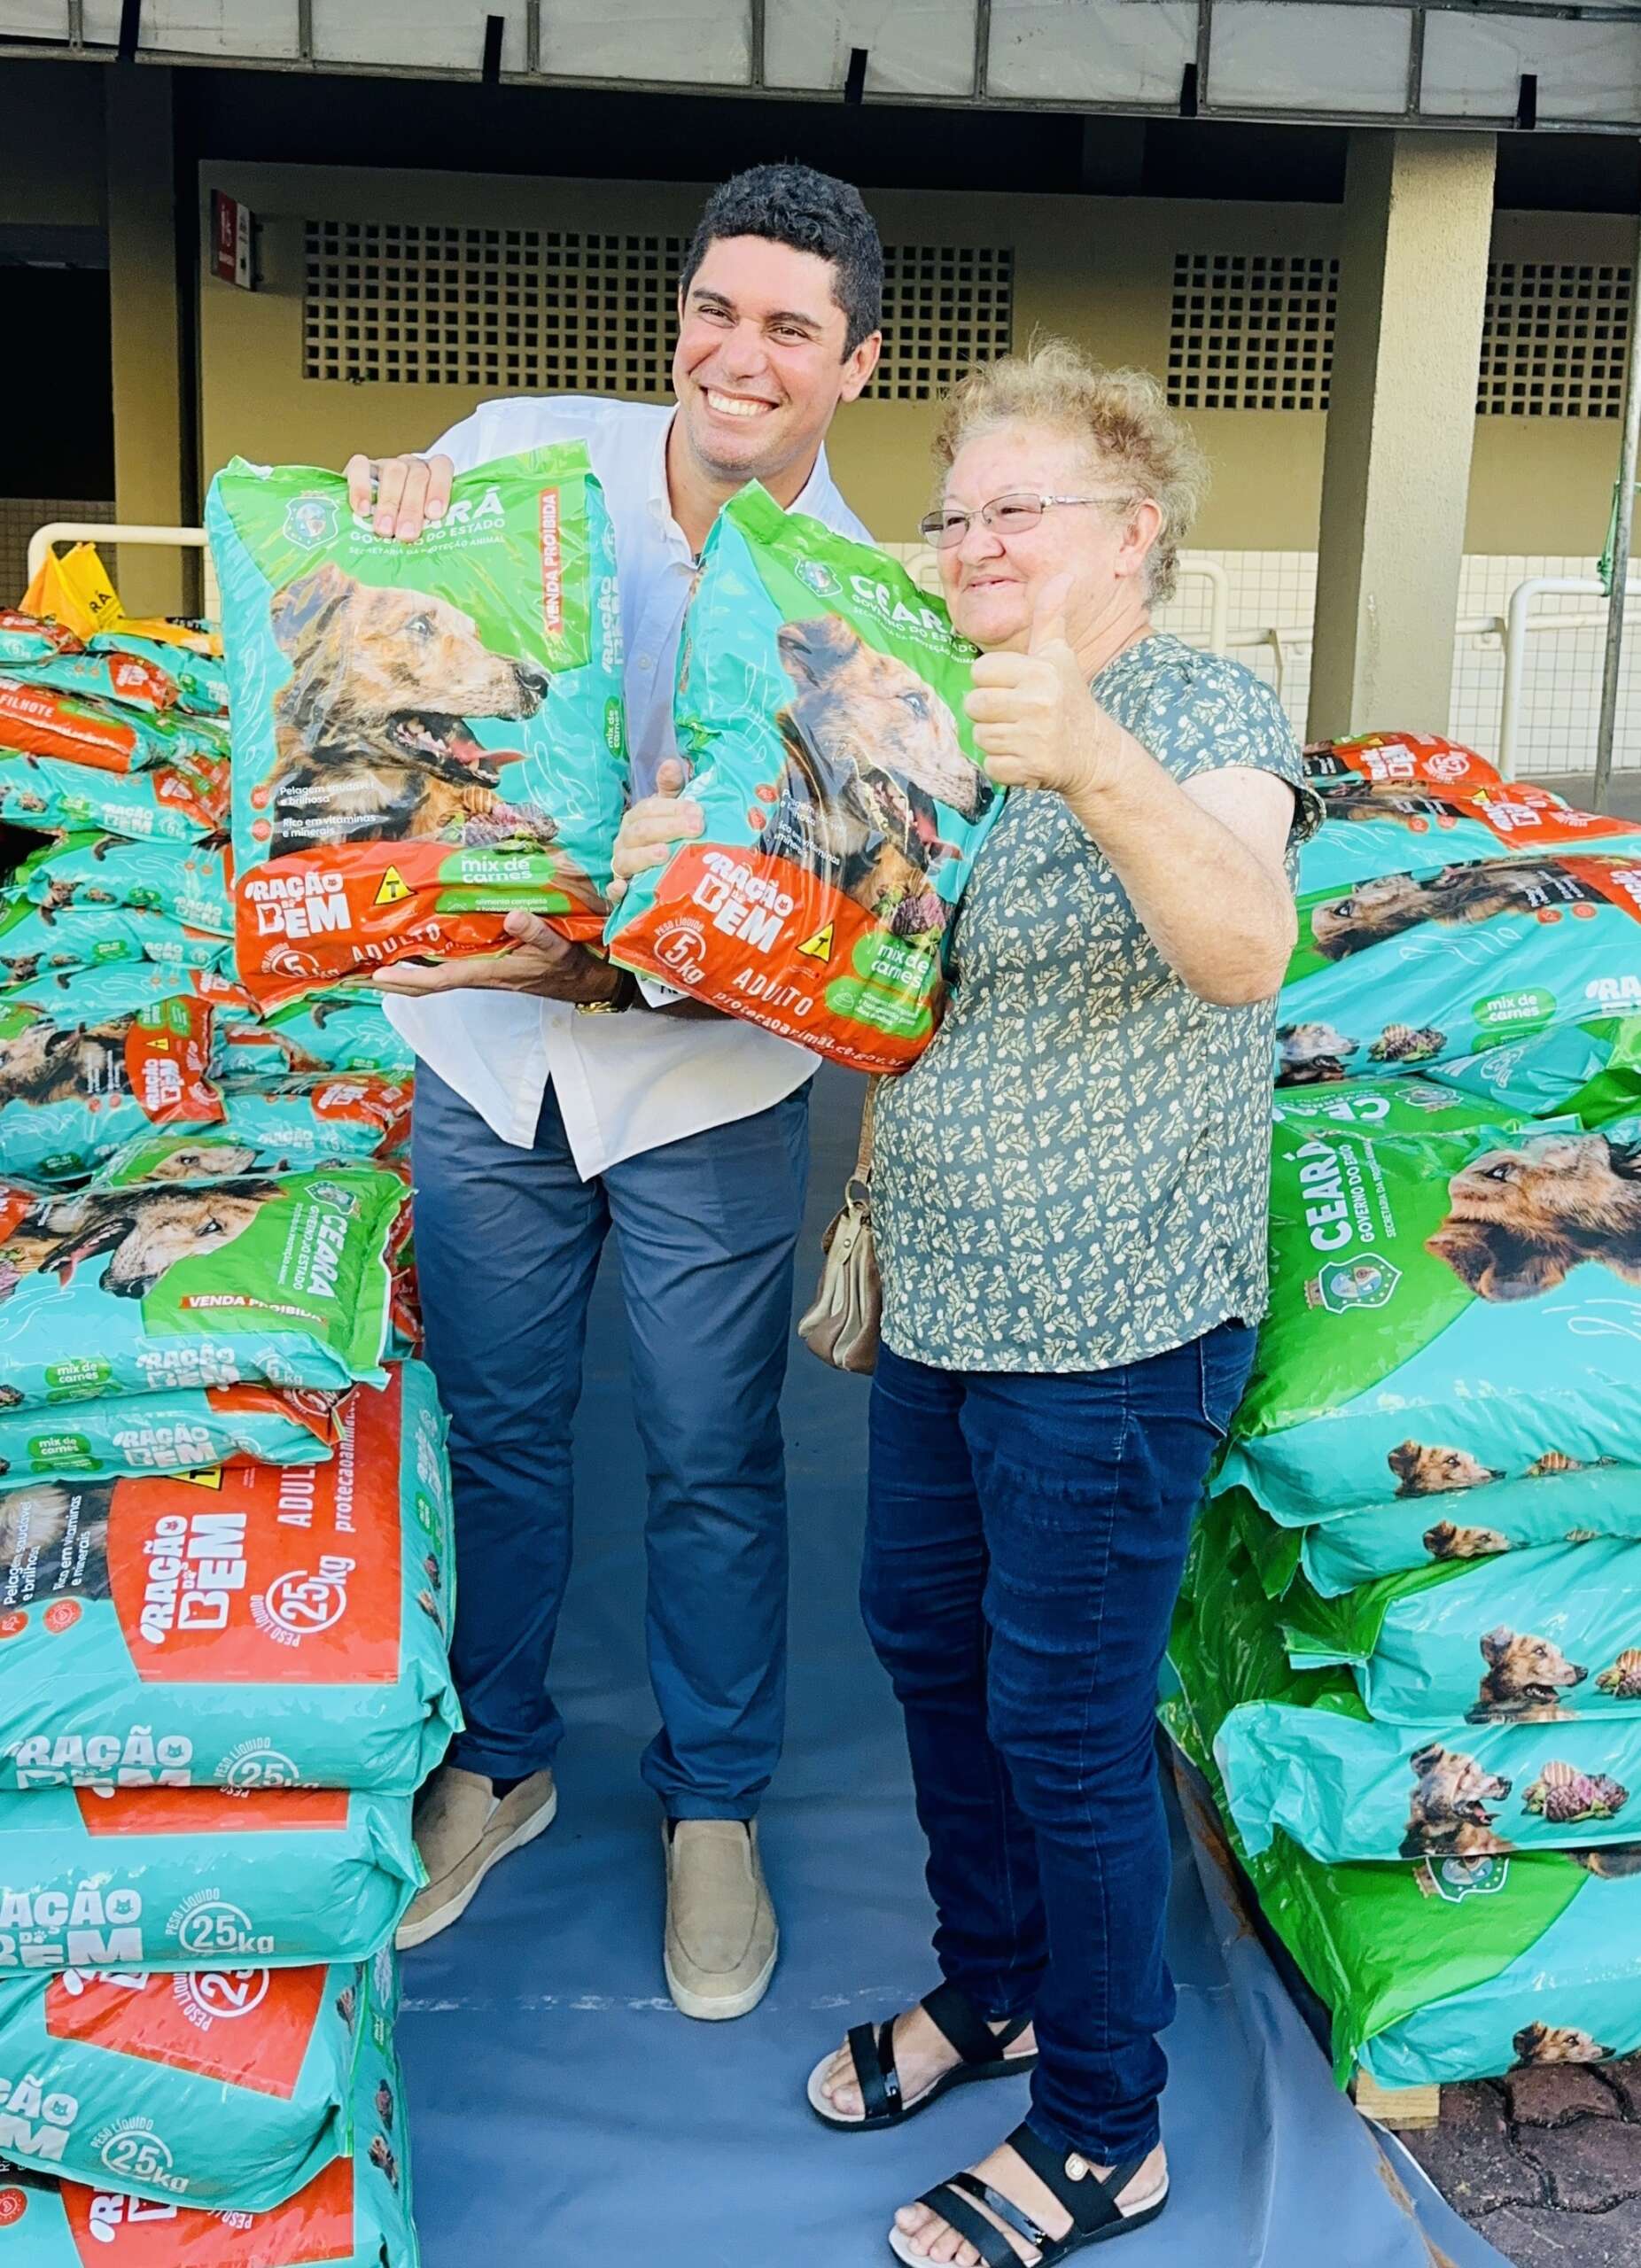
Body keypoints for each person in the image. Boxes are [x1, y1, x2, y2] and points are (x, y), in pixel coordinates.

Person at [613, 338, 1321, 2259]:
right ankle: (997, 1984)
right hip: (938, 1298)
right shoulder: (911, 714)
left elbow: (1242, 941)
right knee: (926, 1641)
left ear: (1130, 534)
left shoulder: (1199, 701)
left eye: (1016, 508)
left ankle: (1107, 2122)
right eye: (951, 512)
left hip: (1115, 1324)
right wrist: (686, 878)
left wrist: (1087, 751)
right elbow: (824, 970)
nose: (968, 539)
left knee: (1066, 1718)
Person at [347, 164, 881, 2023]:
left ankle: (712, 1803)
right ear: (681, 316)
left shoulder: (860, 604)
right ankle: (495, 1754)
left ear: (851, 365)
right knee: (495, 1421)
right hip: (485, 1045)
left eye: (790, 329)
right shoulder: (522, 456)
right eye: (718, 310)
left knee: (709, 1450)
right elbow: (381, 639)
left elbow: (842, 895)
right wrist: (397, 516)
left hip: (708, 1077)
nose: (741, 355)